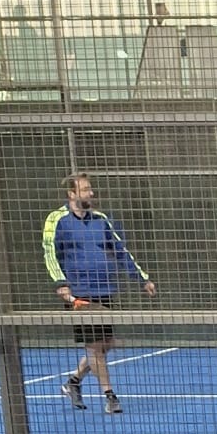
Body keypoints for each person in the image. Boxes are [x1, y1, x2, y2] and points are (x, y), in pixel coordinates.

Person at [42, 174, 156, 415]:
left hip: (104, 290)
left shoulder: (103, 220)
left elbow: (121, 251)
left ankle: (73, 381)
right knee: (95, 348)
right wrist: (61, 283)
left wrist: (142, 279)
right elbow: (50, 253)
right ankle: (110, 396)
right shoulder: (56, 219)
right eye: (85, 189)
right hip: (79, 294)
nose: (91, 193)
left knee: (105, 345)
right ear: (72, 194)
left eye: (90, 189)